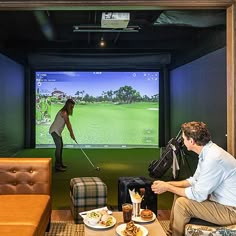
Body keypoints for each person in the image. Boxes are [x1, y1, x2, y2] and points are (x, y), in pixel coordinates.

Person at [151, 121, 236, 236]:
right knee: (180, 194)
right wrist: (167, 184)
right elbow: (193, 181)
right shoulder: (207, 152)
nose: (182, 142)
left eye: (183, 139)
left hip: (231, 211)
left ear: (191, 141)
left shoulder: (213, 158)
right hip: (221, 204)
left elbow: (198, 195)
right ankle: (172, 233)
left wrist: (167, 187)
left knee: (182, 204)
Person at [49, 99, 76, 172]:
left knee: (60, 147)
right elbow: (68, 124)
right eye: (71, 107)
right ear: (68, 105)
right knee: (59, 147)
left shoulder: (65, 112)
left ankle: (60, 164)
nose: (72, 108)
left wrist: (72, 134)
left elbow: (68, 123)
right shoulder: (64, 112)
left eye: (73, 107)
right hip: (54, 131)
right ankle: (57, 166)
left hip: (57, 132)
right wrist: (72, 134)